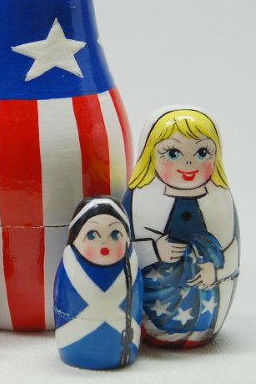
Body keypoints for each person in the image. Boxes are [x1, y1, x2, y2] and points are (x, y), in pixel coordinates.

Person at [123, 107, 239, 348]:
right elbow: (126, 248)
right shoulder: (139, 199)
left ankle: (201, 332)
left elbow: (231, 247)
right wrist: (155, 250)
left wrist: (216, 272)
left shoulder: (219, 199)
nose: (188, 162)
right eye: (173, 153)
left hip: (204, 295)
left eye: (202, 152)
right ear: (149, 156)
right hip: (158, 294)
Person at [53, 196, 142, 369]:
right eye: (92, 234)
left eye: (115, 234)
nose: (104, 242)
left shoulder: (130, 268)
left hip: (120, 342)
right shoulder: (70, 267)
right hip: (75, 345)